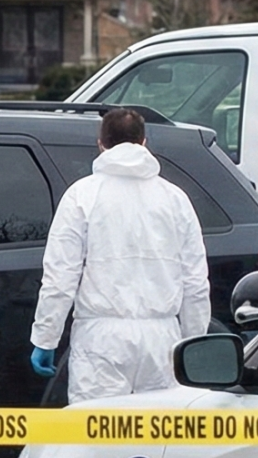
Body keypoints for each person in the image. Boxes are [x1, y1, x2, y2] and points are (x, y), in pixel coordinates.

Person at [27, 107, 210, 401]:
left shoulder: (82, 195)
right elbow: (196, 282)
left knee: (99, 436)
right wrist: (194, 342)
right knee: (158, 437)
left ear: (101, 144)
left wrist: (46, 338)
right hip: (161, 339)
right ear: (144, 142)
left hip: (101, 341)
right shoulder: (175, 199)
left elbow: (60, 276)